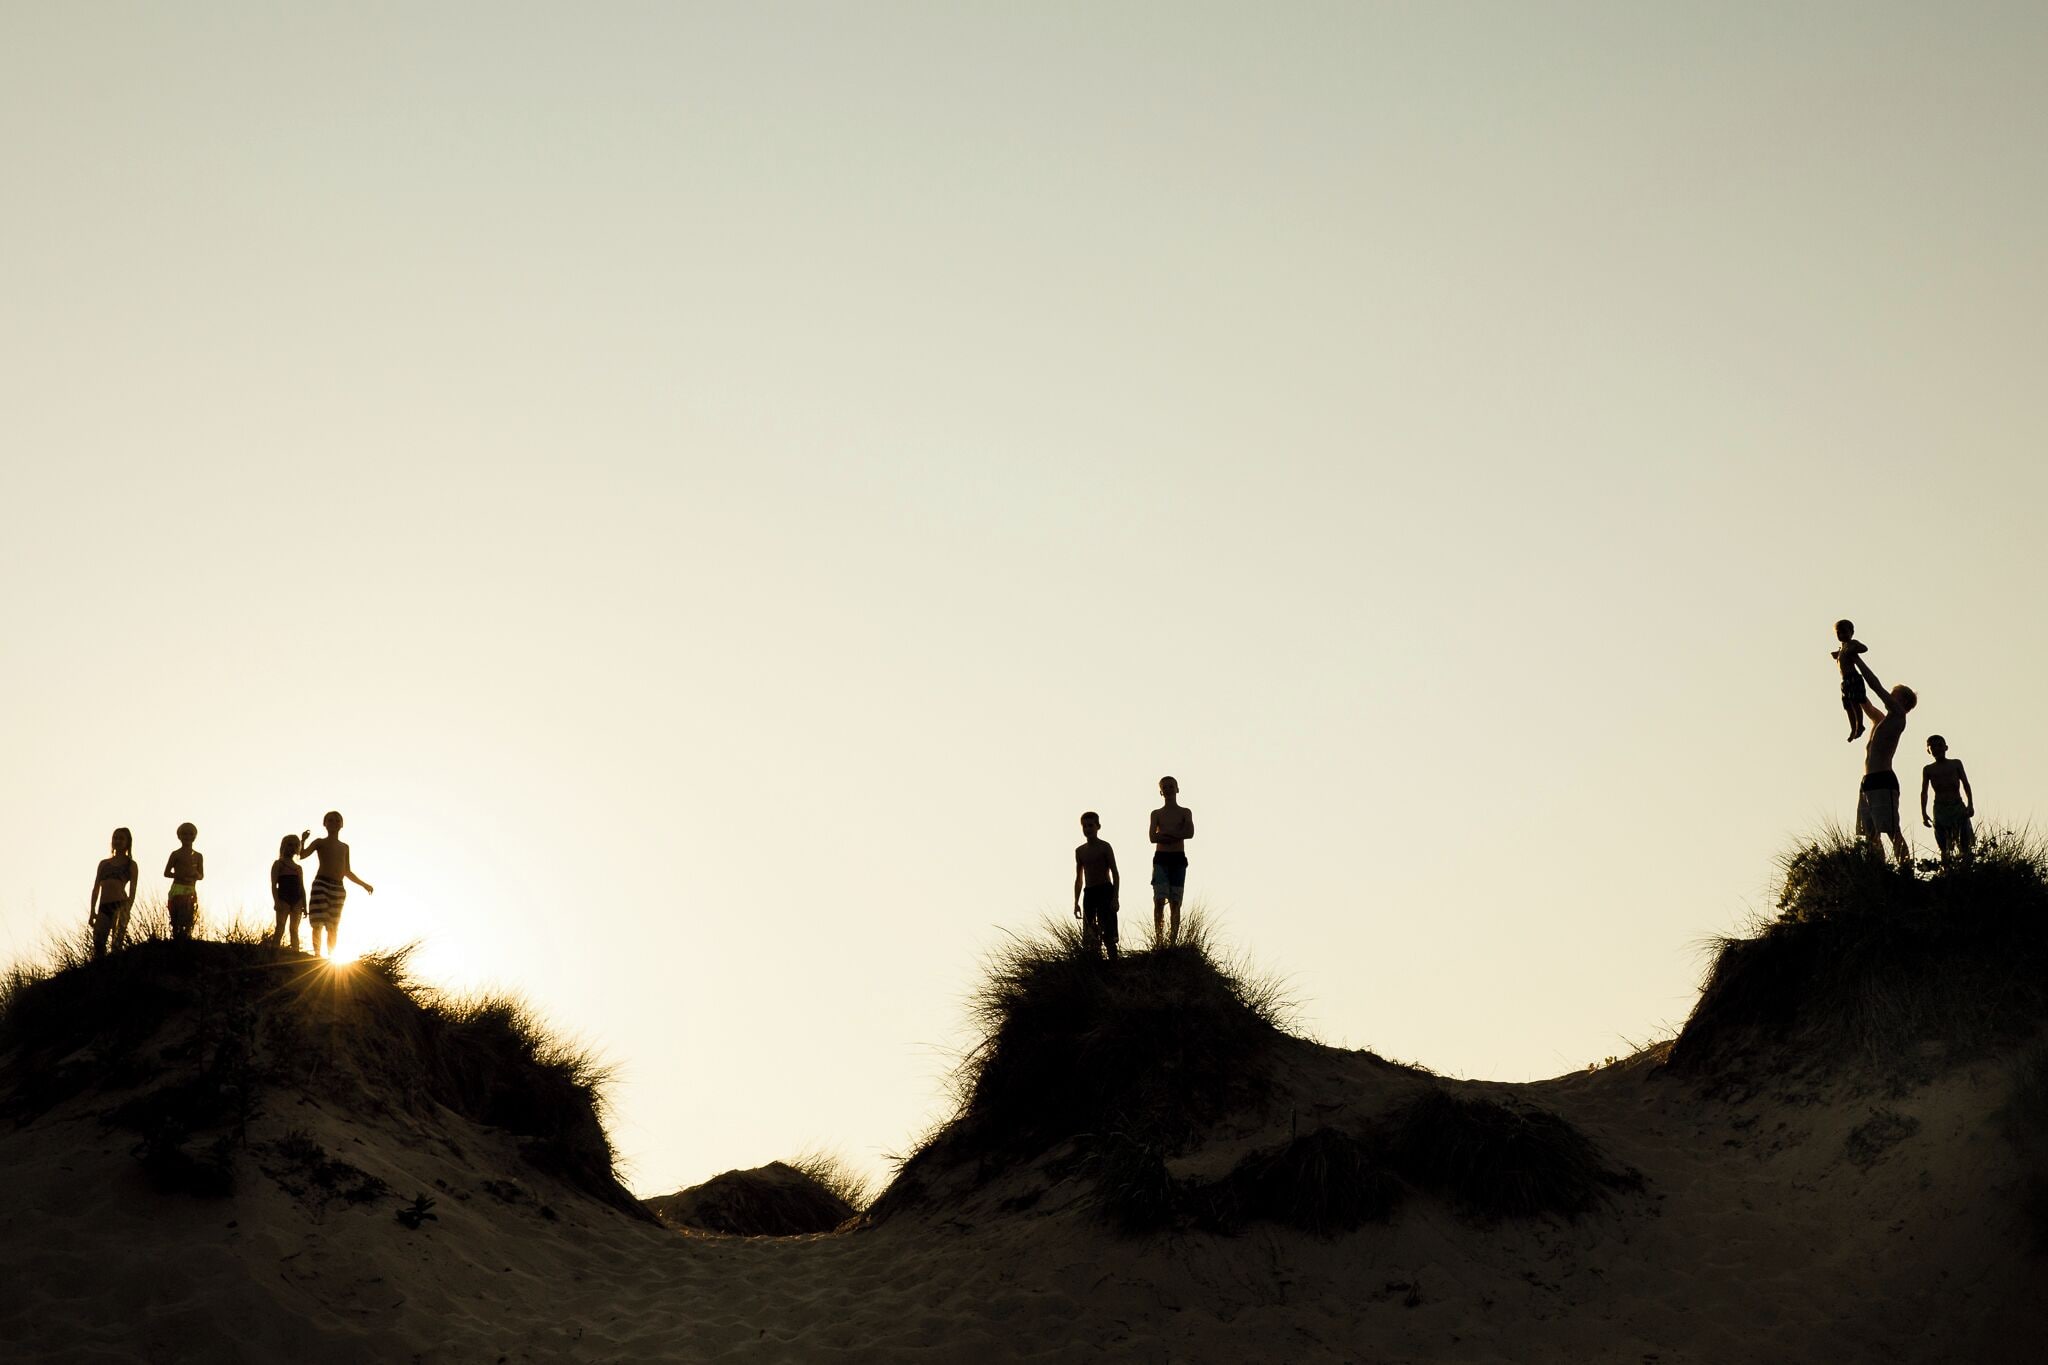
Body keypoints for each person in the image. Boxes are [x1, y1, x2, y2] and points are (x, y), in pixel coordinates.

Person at [1853, 658, 1916, 868]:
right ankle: (1878, 869)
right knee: (1870, 833)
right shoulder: (1881, 719)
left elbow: (1875, 685)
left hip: (1883, 779)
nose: (1889, 696)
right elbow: (1864, 701)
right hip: (1868, 781)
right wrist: (1846, 668)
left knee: (1891, 830)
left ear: (1903, 703)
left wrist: (1857, 659)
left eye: (1893, 694)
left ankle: (1906, 868)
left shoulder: (1899, 716)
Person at [299, 811, 373, 959]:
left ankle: (331, 956)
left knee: (333, 925)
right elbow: (302, 855)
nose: (333, 823)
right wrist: (303, 840)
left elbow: (347, 871)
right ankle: (317, 955)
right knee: (318, 921)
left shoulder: (344, 847)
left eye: (337, 820)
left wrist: (364, 884)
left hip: (338, 887)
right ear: (324, 824)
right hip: (321, 883)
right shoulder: (319, 842)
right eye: (330, 820)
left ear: (342, 824)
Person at [1148, 776, 1194, 945]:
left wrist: (1166, 836)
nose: (1168, 789)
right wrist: (1175, 835)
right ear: (1161, 791)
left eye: (1171, 786)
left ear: (1177, 788)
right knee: (1159, 899)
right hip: (1161, 858)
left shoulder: (1184, 812)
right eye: (1165, 787)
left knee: (1175, 901)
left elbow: (1189, 833)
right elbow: (1153, 837)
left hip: (1178, 858)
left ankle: (1173, 940)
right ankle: (1159, 939)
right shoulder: (1157, 814)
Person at [1920, 735, 1977, 866]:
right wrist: (1923, 813)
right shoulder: (1928, 769)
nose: (1937, 748)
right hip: (1940, 809)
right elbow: (1924, 792)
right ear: (1928, 750)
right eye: (1933, 746)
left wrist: (1970, 804)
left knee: (1965, 843)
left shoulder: (1955, 764)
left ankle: (1966, 869)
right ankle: (1947, 872)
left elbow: (1966, 784)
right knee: (1944, 847)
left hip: (1957, 806)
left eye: (1939, 745)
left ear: (1946, 747)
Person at [1073, 811, 1121, 961]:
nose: (1087, 829)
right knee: (1090, 934)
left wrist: (1115, 898)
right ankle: (1095, 962)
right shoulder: (1080, 851)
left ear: (1098, 826)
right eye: (1085, 826)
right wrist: (1076, 902)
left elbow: (1115, 873)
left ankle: (1113, 961)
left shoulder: (1105, 847)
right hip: (1089, 893)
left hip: (1105, 890)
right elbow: (1079, 878)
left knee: (1108, 931)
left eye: (1090, 825)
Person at [90, 827, 138, 960]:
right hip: (103, 907)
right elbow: (96, 888)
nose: (117, 840)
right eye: (115, 838)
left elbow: (133, 889)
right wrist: (92, 911)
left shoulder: (131, 864)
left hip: (120, 905)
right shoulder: (104, 864)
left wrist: (128, 908)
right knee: (98, 942)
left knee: (117, 944)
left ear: (128, 842)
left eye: (121, 838)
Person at [266, 834, 308, 951]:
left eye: (296, 845)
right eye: (290, 844)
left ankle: (296, 954)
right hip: (283, 898)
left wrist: (305, 905)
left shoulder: (298, 868)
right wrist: (276, 901)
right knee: (280, 927)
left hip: (297, 901)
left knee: (294, 930)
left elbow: (302, 887)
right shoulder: (278, 864)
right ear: (284, 845)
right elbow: (274, 885)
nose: (292, 848)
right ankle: (274, 953)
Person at [164, 823, 204, 941]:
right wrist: (180, 875)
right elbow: (166, 873)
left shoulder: (198, 856)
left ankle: (186, 939)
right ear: (179, 836)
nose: (187, 836)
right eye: (184, 834)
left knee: (189, 917)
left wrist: (196, 875)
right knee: (176, 917)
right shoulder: (175, 854)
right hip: (178, 888)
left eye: (190, 834)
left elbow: (201, 875)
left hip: (190, 889)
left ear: (194, 836)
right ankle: (176, 939)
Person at [1832, 619, 1870, 742]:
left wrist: (1854, 648)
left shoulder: (1851, 644)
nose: (1842, 635)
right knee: (1847, 705)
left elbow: (1864, 648)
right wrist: (1837, 654)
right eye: (1839, 633)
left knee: (1855, 702)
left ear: (1851, 632)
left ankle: (1860, 725)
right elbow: (1841, 657)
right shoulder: (1842, 648)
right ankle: (1853, 728)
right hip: (1845, 681)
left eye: (1844, 632)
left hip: (1853, 677)